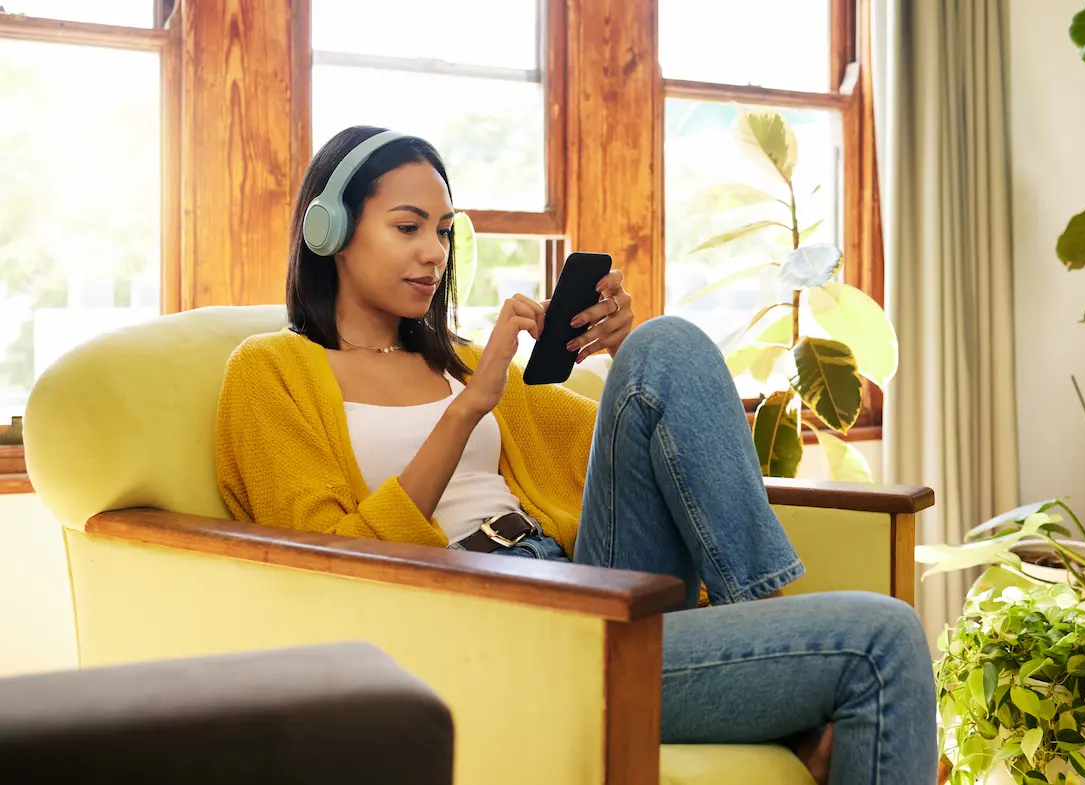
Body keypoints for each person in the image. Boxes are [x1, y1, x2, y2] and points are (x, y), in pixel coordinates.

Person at [214, 126, 937, 785]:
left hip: (581, 578)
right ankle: (794, 694)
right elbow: (325, 568)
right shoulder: (272, 370)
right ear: (330, 230)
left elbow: (658, 452)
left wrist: (620, 344)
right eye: (406, 227)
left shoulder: (459, 361)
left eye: (441, 230)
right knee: (886, 637)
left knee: (668, 342)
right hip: (487, 624)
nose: (433, 251)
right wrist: (470, 407)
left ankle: (763, 620)